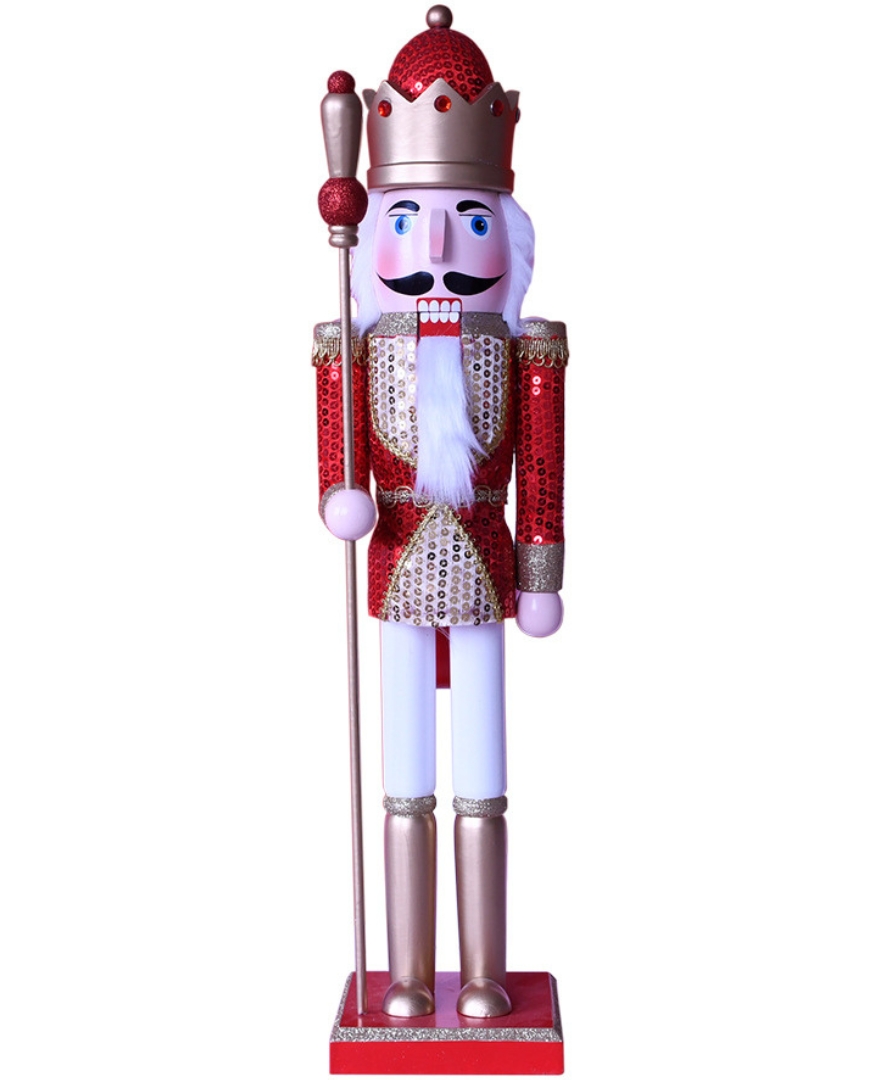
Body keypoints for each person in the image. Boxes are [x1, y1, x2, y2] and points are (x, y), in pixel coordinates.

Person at [314, 5, 567, 1019]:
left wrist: (543, 572)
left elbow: (542, 467)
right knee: (404, 768)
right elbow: (336, 456)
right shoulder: (354, 347)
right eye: (409, 221)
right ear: (374, 229)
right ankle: (410, 975)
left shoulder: (525, 349)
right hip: (396, 563)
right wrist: (341, 496)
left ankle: (488, 970)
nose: (437, 247)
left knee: (483, 771)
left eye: (469, 220)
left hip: (490, 565)